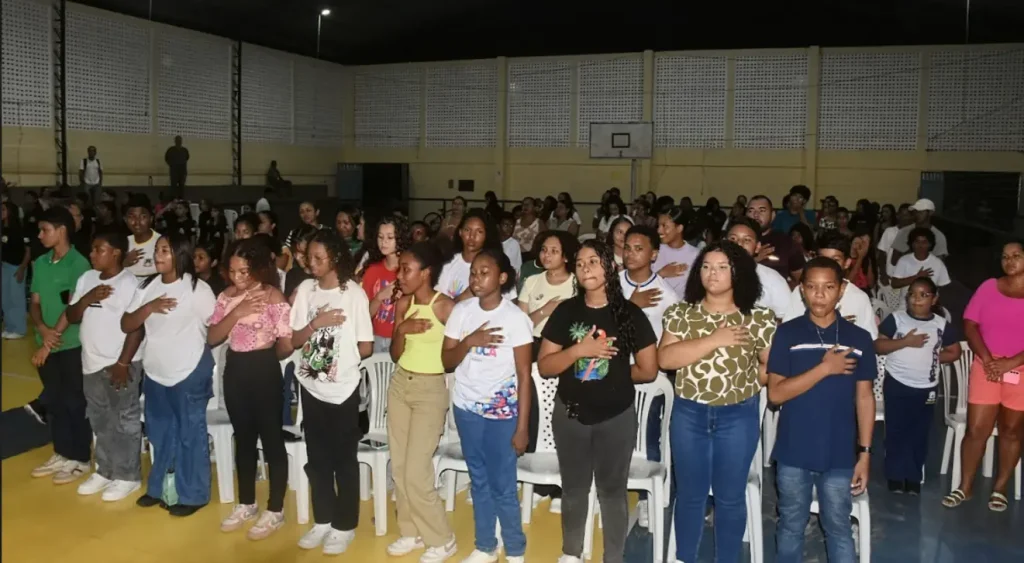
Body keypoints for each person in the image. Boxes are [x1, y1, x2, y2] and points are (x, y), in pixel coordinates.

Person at [537, 240, 658, 563]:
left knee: (612, 491)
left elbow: (649, 369)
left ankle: (613, 557)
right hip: (570, 415)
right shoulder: (567, 311)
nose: (585, 268)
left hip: (615, 418)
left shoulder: (629, 314)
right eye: (579, 263)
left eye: (593, 261)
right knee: (574, 488)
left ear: (610, 267)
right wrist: (579, 351)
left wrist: (614, 373)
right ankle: (571, 553)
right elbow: (545, 365)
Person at [659, 240, 776, 563]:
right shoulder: (682, 313)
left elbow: (770, 365)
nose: (713, 273)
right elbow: (666, 358)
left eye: (723, 267)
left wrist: (750, 383)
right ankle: (685, 557)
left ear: (739, 274)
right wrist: (714, 340)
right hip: (690, 413)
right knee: (690, 496)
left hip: (738, 416)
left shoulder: (759, 318)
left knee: (730, 497)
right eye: (707, 266)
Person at [767, 256, 876, 563]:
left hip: (840, 453)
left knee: (839, 526)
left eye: (828, 287)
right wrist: (825, 368)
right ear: (801, 290)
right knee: (790, 525)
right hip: (792, 451)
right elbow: (775, 394)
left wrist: (865, 453)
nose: (819, 294)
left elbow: (865, 399)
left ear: (841, 290)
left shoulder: (859, 339)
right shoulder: (787, 334)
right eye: (812, 287)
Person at [441, 248, 533, 563]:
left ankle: (516, 549)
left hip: (501, 412)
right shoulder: (462, 311)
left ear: (502, 277)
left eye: (485, 272)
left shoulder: (516, 318)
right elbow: (446, 360)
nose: (477, 278)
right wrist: (469, 342)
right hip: (467, 408)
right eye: (474, 273)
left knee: (502, 483)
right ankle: (485, 545)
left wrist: (522, 427)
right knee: (478, 479)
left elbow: (524, 375)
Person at [40, 231, 145, 501]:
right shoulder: (87, 278)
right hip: (91, 362)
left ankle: (127, 475)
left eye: (99, 249)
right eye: (93, 249)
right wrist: (88, 297)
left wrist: (123, 362)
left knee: (124, 420)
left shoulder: (129, 284)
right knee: (100, 420)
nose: (92, 254)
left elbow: (136, 328)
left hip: (120, 362)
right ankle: (105, 470)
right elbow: (73, 315)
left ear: (116, 253)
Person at [122, 234, 216, 516]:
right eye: (157, 250)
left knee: (191, 435)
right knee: (160, 433)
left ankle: (194, 494)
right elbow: (128, 324)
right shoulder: (147, 287)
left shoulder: (197, 289)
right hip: (156, 371)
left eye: (165, 250)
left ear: (180, 254)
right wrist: (149, 307)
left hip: (188, 370)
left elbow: (214, 329)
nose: (158, 255)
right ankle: (160, 487)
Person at [209, 238, 293, 539]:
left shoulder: (273, 296)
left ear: (258, 269)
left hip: (264, 369)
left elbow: (285, 345)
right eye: (233, 271)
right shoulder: (226, 297)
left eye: (245, 272)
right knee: (242, 439)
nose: (238, 278)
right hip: (235, 371)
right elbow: (212, 337)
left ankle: (275, 508)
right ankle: (246, 502)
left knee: (271, 439)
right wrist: (237, 312)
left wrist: (269, 348)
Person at [386, 241, 459, 562]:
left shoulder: (446, 307)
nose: (399, 274)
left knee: (417, 470)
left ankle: (442, 539)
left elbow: (455, 357)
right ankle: (410, 530)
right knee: (400, 466)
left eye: (406, 269)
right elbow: (394, 353)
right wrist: (402, 329)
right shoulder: (403, 304)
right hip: (401, 383)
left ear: (426, 273)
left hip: (430, 390)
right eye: (399, 268)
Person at [942, 240, 1024, 513]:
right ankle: (965, 486)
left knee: (1011, 431)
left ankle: (1000, 488)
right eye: (1004, 256)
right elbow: (970, 324)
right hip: (986, 367)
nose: (1009, 261)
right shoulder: (989, 287)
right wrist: (988, 360)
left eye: (1016, 256)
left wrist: (1010, 362)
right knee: (977, 430)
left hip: (1019, 370)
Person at [26, 207, 93, 484]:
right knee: (55, 402)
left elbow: (74, 306)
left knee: (74, 400)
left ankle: (81, 457)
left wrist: (52, 337)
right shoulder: (41, 262)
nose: (40, 235)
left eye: (45, 230)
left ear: (62, 230)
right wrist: (42, 330)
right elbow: (36, 302)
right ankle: (62, 452)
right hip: (47, 341)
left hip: (72, 343)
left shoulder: (79, 265)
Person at [618, 224, 679, 527]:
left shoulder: (665, 294)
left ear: (654, 254)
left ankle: (647, 500)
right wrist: (631, 305)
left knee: (648, 435)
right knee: (613, 434)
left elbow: (674, 335)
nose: (630, 253)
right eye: (627, 247)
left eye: (638, 248)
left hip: (648, 376)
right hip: (614, 370)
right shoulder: (612, 284)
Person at [876, 277, 961, 494]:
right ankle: (895, 475)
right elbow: (878, 345)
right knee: (896, 430)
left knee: (919, 432)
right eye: (913, 294)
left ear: (934, 299)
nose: (917, 299)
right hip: (897, 382)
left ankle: (913, 476)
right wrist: (904, 342)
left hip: (926, 387)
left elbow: (954, 352)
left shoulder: (941, 325)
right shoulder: (897, 319)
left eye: (924, 295)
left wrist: (933, 357)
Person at [782, 230, 878, 339]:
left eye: (835, 260)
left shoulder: (859, 298)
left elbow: (869, 339)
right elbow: (788, 333)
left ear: (847, 263)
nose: (828, 266)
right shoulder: (800, 292)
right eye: (823, 259)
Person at [519, 231, 579, 356]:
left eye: (554, 251)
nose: (546, 255)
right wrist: (545, 310)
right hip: (533, 344)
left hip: (565, 347)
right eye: (544, 250)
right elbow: (521, 324)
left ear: (566, 257)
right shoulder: (532, 281)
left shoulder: (578, 284)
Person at [438, 210, 517, 303]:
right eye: (467, 230)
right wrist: (466, 295)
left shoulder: (496, 263)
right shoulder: (448, 263)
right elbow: (440, 306)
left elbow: (512, 303)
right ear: (460, 232)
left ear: (486, 235)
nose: (472, 236)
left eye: (479, 231)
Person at [362, 216, 410, 352]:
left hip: (401, 337)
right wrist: (379, 297)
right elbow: (365, 314)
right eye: (380, 237)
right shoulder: (372, 270)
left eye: (390, 237)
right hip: (376, 336)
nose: (384, 242)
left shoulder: (409, 270)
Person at [727, 218, 791, 319]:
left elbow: (786, 319)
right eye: (733, 239)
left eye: (746, 240)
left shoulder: (773, 279)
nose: (739, 244)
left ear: (757, 247)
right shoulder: (710, 273)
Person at [746, 195, 805, 286]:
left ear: (773, 215)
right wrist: (754, 261)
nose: (756, 215)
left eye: (762, 210)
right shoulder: (736, 240)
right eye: (751, 211)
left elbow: (801, 279)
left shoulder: (786, 242)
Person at [890, 227, 951, 302]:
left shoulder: (938, 263)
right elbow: (894, 284)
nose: (920, 245)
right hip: (906, 305)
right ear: (912, 244)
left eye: (924, 242)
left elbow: (944, 287)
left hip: (930, 306)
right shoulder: (904, 260)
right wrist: (917, 277)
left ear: (930, 244)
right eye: (917, 242)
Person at [652, 206, 700, 297]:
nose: (659, 230)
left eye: (664, 226)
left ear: (679, 228)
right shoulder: (653, 250)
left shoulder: (695, 255)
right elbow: (642, 284)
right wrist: (661, 273)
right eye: (658, 226)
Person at [2, 201, 31, 339]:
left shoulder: (20, 229)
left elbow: (28, 251)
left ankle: (19, 329)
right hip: (4, 266)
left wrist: (22, 268)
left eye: (3, 209)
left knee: (16, 298)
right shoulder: (3, 228)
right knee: (5, 298)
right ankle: (9, 326)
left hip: (17, 266)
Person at [890, 198, 949, 264]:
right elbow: (894, 261)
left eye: (921, 211)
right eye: (916, 211)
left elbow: (939, 265)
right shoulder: (904, 231)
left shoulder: (938, 236)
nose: (917, 214)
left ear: (930, 213)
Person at [123, 196, 161, 281]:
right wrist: (123, 263)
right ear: (125, 220)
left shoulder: (162, 243)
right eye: (132, 217)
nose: (137, 222)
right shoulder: (122, 243)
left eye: (143, 217)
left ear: (151, 219)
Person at [499, 211, 523, 277]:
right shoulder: (493, 242)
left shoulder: (514, 244)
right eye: (506, 225)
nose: (509, 228)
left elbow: (515, 267)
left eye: (511, 225)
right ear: (498, 226)